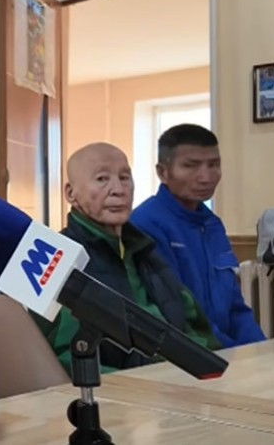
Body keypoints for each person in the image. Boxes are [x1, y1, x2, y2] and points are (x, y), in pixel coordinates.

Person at [31, 143, 219, 374]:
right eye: (102, 179)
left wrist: (210, 369)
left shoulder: (144, 250)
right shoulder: (57, 260)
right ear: (71, 193)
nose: (118, 190)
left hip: (178, 381)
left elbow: (193, 326)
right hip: (122, 389)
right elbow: (64, 359)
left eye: (124, 177)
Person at [131, 124, 265, 348]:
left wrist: (262, 351)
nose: (206, 177)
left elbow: (235, 306)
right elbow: (174, 312)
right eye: (190, 166)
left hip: (225, 352)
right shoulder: (145, 224)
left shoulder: (212, 224)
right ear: (163, 172)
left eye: (214, 165)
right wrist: (231, 355)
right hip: (190, 353)